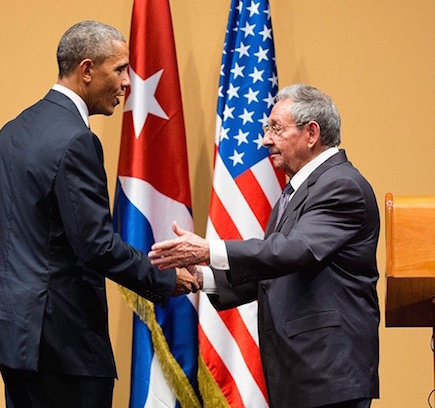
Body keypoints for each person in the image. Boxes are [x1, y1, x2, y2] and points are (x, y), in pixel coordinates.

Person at [0, 20, 198, 408]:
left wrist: (29, 283)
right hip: (66, 344)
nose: (128, 82)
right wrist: (162, 280)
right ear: (87, 70)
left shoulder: (11, 131)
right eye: (120, 69)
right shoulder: (78, 140)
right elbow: (95, 244)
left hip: (13, 334)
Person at [149, 84, 380, 408]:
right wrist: (205, 278)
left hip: (329, 373)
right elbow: (276, 269)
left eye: (276, 128)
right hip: (302, 374)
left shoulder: (341, 186)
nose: (266, 139)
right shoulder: (297, 191)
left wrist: (208, 250)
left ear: (311, 132)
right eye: (266, 129)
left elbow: (294, 250)